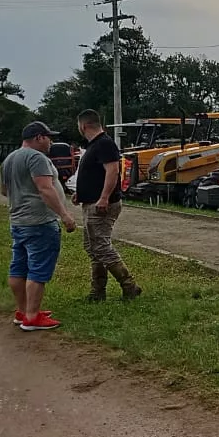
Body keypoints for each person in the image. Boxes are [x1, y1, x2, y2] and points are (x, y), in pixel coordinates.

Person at [0, 121, 77, 331]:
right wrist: (64, 215)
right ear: (39, 137)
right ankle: (32, 317)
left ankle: (23, 311)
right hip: (40, 222)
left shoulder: (10, 159)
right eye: (49, 137)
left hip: (18, 221)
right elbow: (45, 189)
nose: (51, 142)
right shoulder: (36, 157)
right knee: (38, 269)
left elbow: (4, 191)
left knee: (19, 267)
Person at [73, 109, 142, 301]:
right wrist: (82, 193)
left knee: (101, 247)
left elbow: (112, 171)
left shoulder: (104, 144)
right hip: (91, 202)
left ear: (83, 125)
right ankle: (98, 291)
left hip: (101, 205)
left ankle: (129, 285)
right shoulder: (94, 146)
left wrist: (104, 197)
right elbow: (96, 174)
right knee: (93, 247)